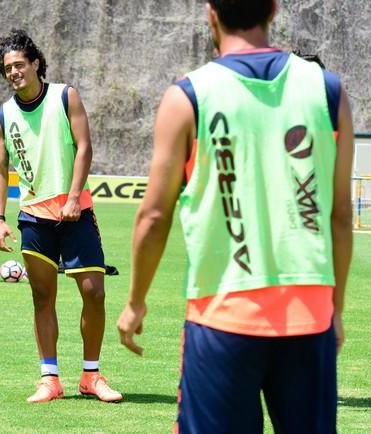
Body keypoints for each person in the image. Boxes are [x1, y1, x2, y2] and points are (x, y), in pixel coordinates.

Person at [117, 1, 353, 432]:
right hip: (309, 316)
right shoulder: (327, 91)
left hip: (222, 317)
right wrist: (335, 308)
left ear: (211, 13)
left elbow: (153, 216)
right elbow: (340, 216)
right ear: (275, 8)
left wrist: (135, 303)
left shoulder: (187, 96)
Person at [0, 29, 122, 403]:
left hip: (74, 211)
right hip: (33, 216)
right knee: (41, 297)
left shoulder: (66, 97)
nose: (14, 73)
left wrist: (75, 198)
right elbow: (0, 169)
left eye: (19, 65)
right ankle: (50, 379)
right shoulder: (3, 116)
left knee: (93, 292)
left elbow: (85, 147)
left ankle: (91, 376)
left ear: (35, 64)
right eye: (7, 69)